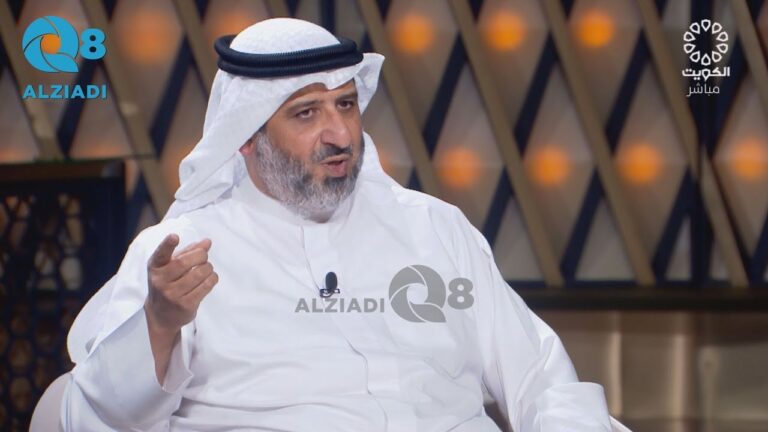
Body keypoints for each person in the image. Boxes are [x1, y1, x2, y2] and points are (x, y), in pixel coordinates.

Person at [61, 17, 627, 432]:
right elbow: (101, 416)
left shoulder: (434, 228)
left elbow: (540, 377)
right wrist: (159, 325)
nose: (339, 134)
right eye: (307, 113)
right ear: (247, 137)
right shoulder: (179, 252)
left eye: (346, 105)